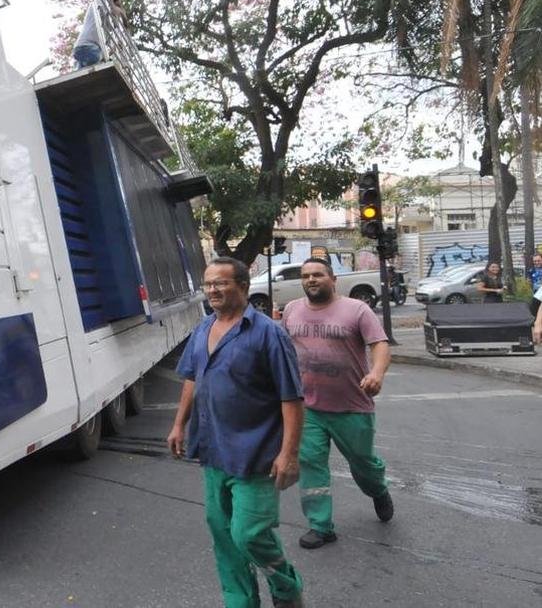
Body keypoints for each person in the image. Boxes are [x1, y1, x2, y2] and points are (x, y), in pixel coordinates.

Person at [167, 257, 306, 608]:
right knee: (224, 538)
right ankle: (240, 601)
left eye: (221, 283)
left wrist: (289, 454)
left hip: (256, 455)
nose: (212, 290)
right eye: (208, 284)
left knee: (249, 535)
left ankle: (286, 588)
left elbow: (291, 397)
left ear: (243, 286)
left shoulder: (268, 333)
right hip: (213, 452)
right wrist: (179, 424)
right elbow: (191, 378)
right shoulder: (203, 328)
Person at [282, 258, 394, 550]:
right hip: (308, 407)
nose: (311, 280)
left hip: (351, 406)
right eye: (306, 276)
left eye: (318, 274)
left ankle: (378, 489)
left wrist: (376, 373)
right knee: (310, 463)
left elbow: (379, 344)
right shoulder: (292, 309)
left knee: (363, 463)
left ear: (333, 279)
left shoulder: (356, 309)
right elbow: (282, 347)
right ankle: (320, 526)